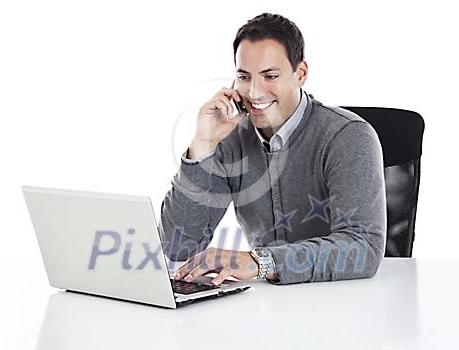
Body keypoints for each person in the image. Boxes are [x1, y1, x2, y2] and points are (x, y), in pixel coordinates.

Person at [159, 13, 386, 286]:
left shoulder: (348, 136)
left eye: (270, 75)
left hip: (344, 300)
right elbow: (176, 248)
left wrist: (260, 262)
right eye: (244, 76)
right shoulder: (230, 137)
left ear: (300, 73)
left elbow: (363, 248)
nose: (254, 92)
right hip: (267, 305)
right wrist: (202, 147)